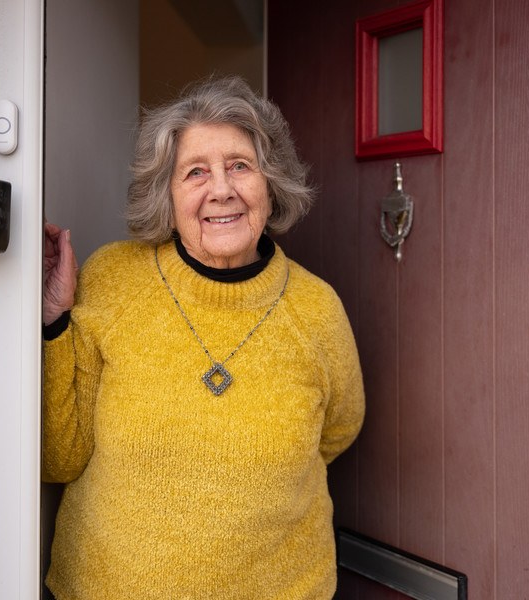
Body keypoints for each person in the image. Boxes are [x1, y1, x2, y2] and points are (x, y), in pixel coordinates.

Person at [41, 76, 365, 600]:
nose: (221, 189)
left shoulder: (317, 308)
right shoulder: (113, 278)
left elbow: (339, 430)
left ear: (271, 182)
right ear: (165, 194)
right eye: (195, 172)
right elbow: (60, 458)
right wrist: (55, 320)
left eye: (240, 165)